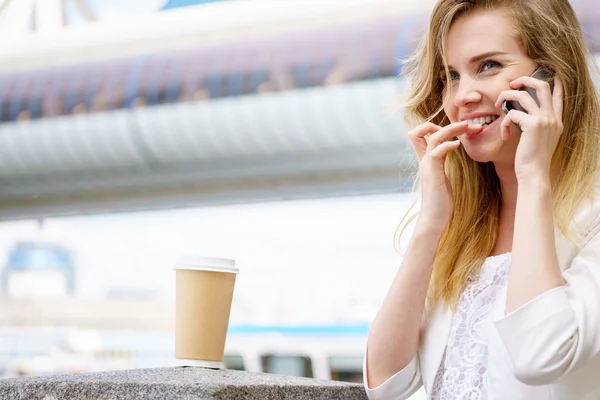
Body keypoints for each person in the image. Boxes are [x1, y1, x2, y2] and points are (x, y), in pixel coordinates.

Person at [363, 0, 600, 399]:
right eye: (451, 75)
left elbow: (539, 357)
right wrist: (431, 226)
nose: (463, 95)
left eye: (488, 65)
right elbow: (385, 384)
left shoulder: (592, 217)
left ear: (553, 78)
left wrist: (533, 178)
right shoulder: (464, 224)